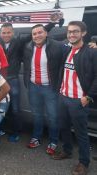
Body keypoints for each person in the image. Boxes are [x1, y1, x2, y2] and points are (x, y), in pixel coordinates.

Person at [52, 21, 97, 175]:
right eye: (69, 31)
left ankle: (84, 163)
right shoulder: (66, 49)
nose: (72, 34)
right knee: (64, 127)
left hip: (79, 100)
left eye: (75, 31)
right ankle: (67, 151)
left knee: (81, 133)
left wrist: (89, 96)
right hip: (63, 97)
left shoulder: (91, 52)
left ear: (83, 33)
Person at [23, 24, 63, 155]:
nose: (37, 36)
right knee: (37, 115)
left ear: (46, 33)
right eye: (34, 34)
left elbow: (74, 48)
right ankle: (36, 137)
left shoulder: (57, 46)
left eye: (40, 32)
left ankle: (53, 141)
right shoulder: (28, 47)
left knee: (53, 116)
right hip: (33, 86)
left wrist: (92, 45)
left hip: (50, 88)